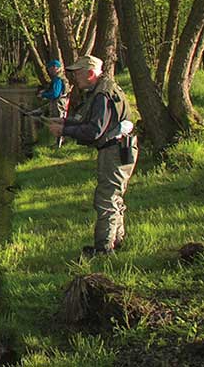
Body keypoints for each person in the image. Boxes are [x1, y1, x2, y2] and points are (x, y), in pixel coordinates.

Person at [46, 54, 137, 256]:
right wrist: (65, 123)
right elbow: (88, 121)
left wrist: (64, 131)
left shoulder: (102, 95)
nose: (75, 77)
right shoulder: (101, 90)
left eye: (78, 73)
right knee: (114, 196)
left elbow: (94, 131)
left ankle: (103, 249)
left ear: (90, 73)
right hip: (118, 148)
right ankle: (117, 240)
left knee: (105, 198)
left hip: (116, 150)